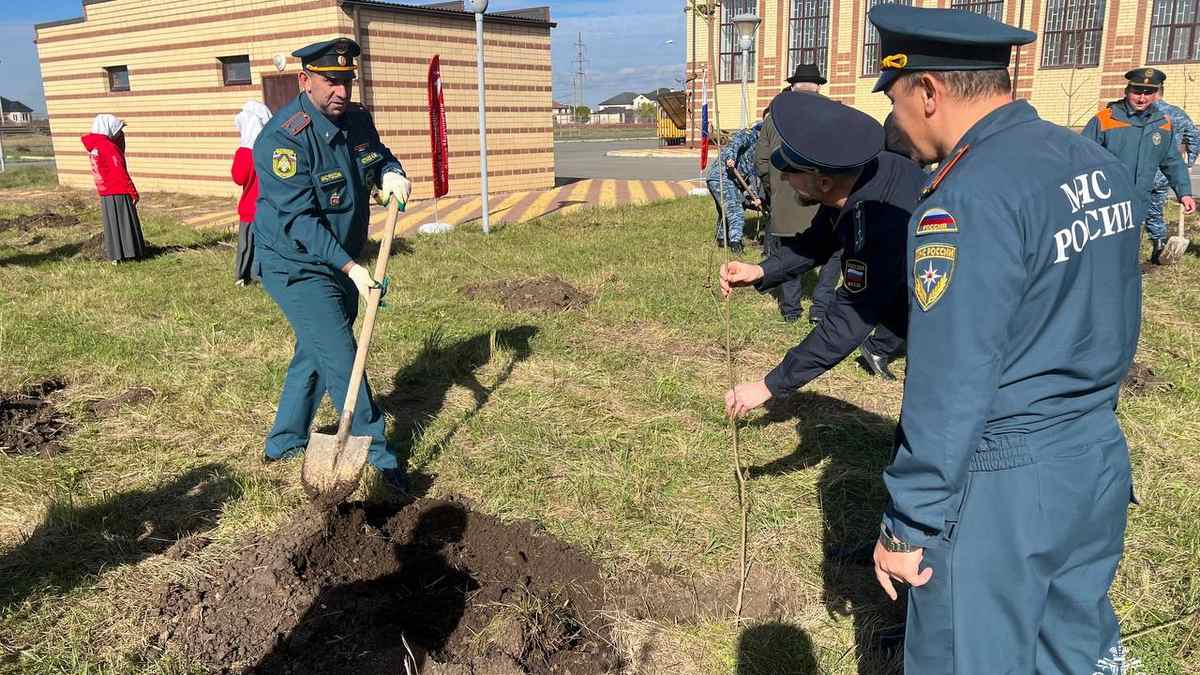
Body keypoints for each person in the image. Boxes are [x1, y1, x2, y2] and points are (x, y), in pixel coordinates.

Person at [868, 5, 1143, 673]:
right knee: (1071, 650)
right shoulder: (1092, 159)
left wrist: (907, 522)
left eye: (896, 96)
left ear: (927, 91)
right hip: (1095, 458)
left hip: (1003, 486)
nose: (895, 123)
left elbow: (951, 380)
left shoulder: (964, 198)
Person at [252, 38, 412, 490]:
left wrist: (390, 173)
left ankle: (283, 441)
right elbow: (300, 221)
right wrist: (352, 269)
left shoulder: (358, 119)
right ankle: (380, 459)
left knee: (318, 349)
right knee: (343, 358)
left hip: (341, 256)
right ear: (305, 81)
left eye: (347, 80)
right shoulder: (284, 139)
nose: (341, 91)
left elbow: (376, 156)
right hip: (295, 262)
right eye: (330, 81)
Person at [721, 91, 925, 418]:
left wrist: (770, 385)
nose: (784, 178)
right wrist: (761, 271)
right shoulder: (862, 174)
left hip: (952, 335)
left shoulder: (877, 222)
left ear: (824, 182)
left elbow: (847, 321)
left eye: (791, 173)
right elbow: (818, 239)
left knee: (924, 428)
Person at [1082, 67, 1196, 264]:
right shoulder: (1105, 120)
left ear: (1157, 93)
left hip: (1139, 198)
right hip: (1107, 200)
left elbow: (1172, 161)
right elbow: (1081, 159)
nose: (1142, 99)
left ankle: (1125, 277)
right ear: (1127, 90)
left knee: (1130, 243)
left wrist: (1184, 192)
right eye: (1137, 92)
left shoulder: (1162, 123)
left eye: (1149, 93)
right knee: (1103, 247)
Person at [756, 64, 826, 322]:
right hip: (825, 198)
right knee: (832, 254)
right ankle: (820, 309)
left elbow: (762, 161)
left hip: (785, 199)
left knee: (789, 252)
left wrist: (774, 189)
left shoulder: (774, 117)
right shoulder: (834, 113)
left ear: (793, 86)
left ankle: (791, 311)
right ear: (818, 86)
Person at [81, 114, 145, 263]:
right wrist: (133, 192)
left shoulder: (96, 145)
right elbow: (119, 170)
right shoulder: (108, 147)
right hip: (118, 189)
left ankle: (116, 255)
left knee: (112, 224)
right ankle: (130, 253)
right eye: (117, 130)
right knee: (124, 221)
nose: (119, 134)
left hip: (105, 191)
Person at [1147, 88, 1199, 264]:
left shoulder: (1141, 113)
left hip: (1141, 172)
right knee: (1155, 210)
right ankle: (1158, 244)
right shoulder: (1177, 113)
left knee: (1131, 210)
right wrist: (1188, 164)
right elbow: (1194, 137)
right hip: (1165, 173)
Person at [706, 120, 763, 254]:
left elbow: (751, 174)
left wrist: (754, 196)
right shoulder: (750, 134)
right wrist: (730, 158)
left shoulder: (762, 148)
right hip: (722, 175)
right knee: (735, 209)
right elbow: (735, 144)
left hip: (733, 179)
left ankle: (721, 239)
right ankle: (736, 245)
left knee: (725, 209)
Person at [232, 101, 272, 285]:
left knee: (246, 244)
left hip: (250, 208)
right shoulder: (271, 149)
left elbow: (238, 177)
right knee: (265, 244)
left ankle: (242, 275)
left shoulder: (246, 153)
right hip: (270, 207)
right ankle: (262, 275)